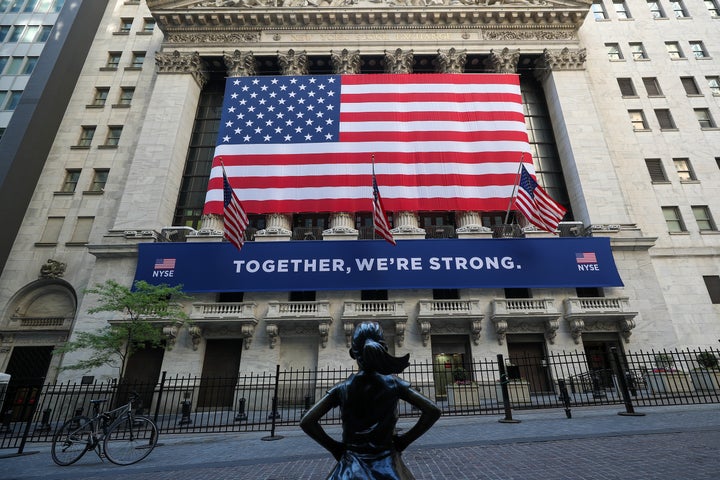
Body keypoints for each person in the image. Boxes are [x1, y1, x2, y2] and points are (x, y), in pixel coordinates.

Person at [300, 322, 441, 479]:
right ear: (384, 348)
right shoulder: (394, 383)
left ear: (353, 353)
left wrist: (335, 448)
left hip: (350, 465)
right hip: (386, 464)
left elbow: (307, 421)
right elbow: (432, 410)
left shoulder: (342, 388)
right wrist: (403, 442)